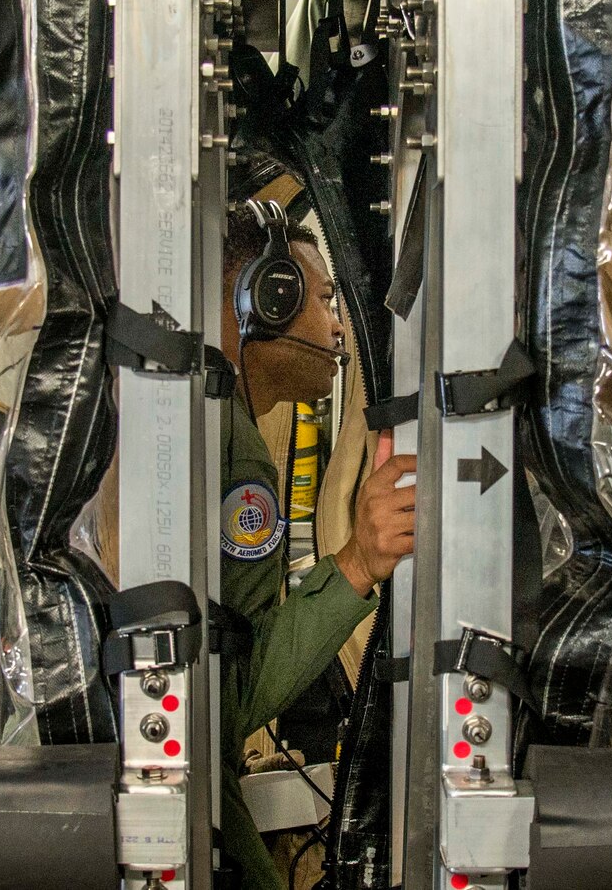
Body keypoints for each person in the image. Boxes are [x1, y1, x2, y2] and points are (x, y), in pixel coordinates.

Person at [219, 201, 415, 890]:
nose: (338, 326)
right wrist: (360, 562)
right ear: (267, 298)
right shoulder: (232, 451)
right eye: (326, 300)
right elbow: (227, 698)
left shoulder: (205, 417)